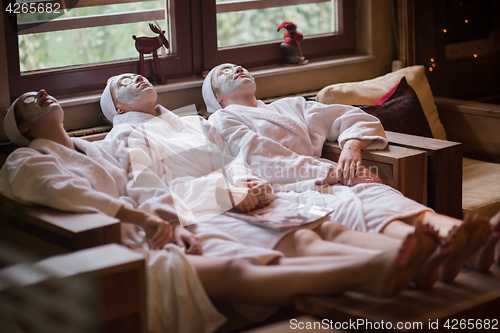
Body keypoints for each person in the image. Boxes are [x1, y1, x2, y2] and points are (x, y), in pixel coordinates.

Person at [1, 90, 433, 333]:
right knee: (265, 254)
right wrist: (158, 218)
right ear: (21, 129)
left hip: (201, 206)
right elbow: (112, 191)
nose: (41, 95)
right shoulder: (32, 160)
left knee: (315, 228)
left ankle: (414, 258)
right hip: (146, 230)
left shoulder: (101, 147)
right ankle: (382, 267)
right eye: (27, 102)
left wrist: (243, 184)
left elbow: (167, 179)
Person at [100, 73, 441, 290]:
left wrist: (251, 182)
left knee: (329, 227)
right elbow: (148, 190)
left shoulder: (191, 124)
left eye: (138, 74)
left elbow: (232, 161)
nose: (138, 79)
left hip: (248, 196)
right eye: (124, 81)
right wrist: (226, 194)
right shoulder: (124, 136)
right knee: (304, 238)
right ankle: (398, 264)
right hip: (210, 209)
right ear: (115, 106)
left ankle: (422, 258)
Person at [203, 63, 500, 286]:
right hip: (290, 189)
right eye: (226, 71)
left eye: (239, 66)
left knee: (381, 194)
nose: (238, 68)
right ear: (216, 95)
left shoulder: (289, 106)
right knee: (351, 205)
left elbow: (349, 115)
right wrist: (333, 173)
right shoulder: (221, 119)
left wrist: (352, 147)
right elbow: (264, 159)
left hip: (336, 174)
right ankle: (436, 253)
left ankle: (468, 243)